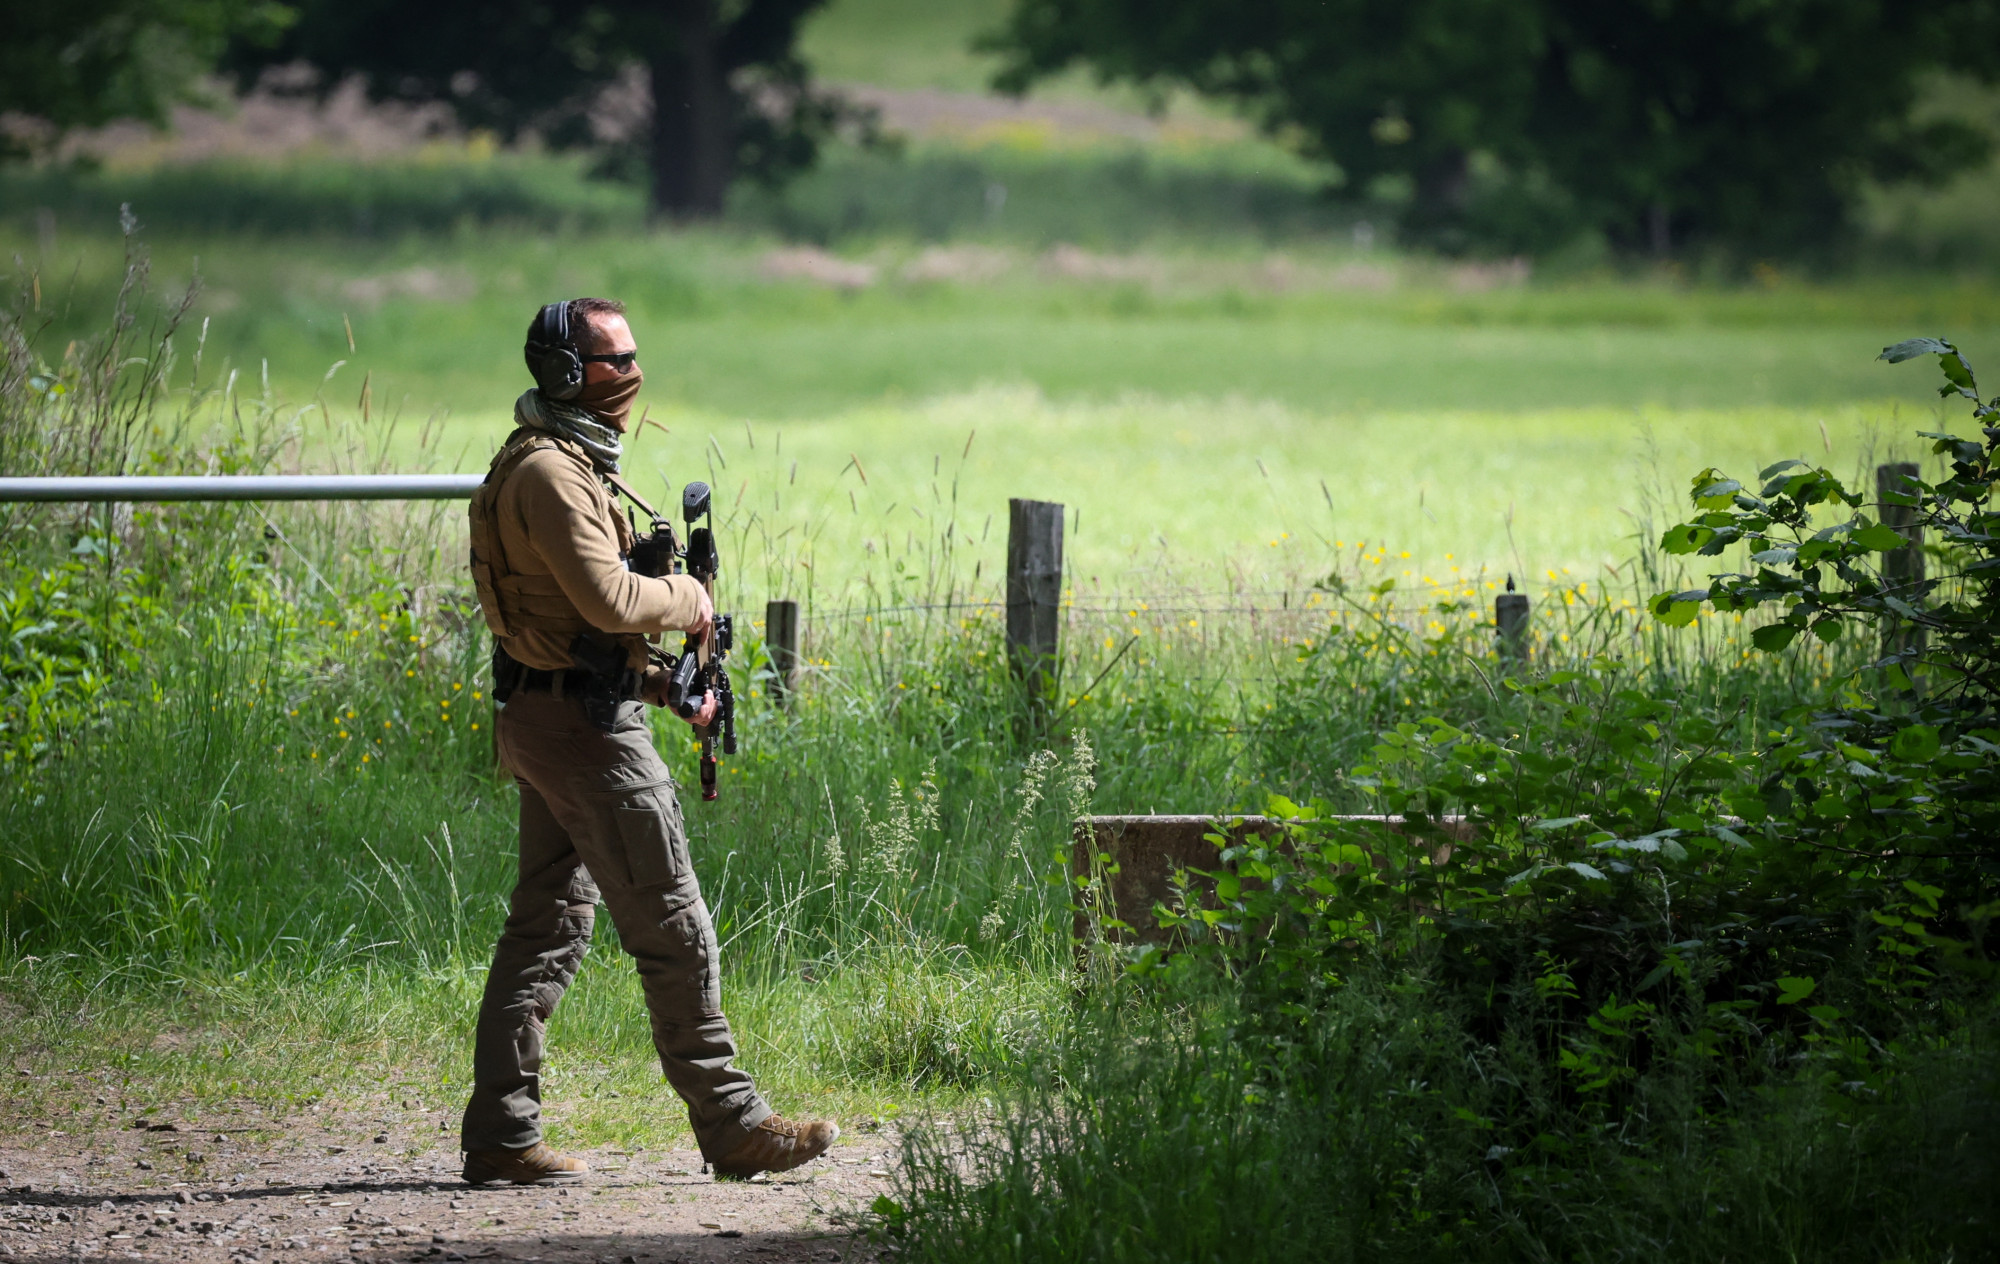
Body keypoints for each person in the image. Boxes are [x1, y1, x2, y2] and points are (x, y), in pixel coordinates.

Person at [458, 296, 836, 1185]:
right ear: (561, 373)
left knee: (546, 927)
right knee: (674, 925)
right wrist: (692, 604)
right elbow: (607, 602)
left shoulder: (562, 460)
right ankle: (734, 1125)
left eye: (633, 357)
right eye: (609, 361)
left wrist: (661, 681)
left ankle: (502, 1135)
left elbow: (568, 629)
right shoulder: (552, 473)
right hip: (588, 741)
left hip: (555, 716)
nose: (628, 375)